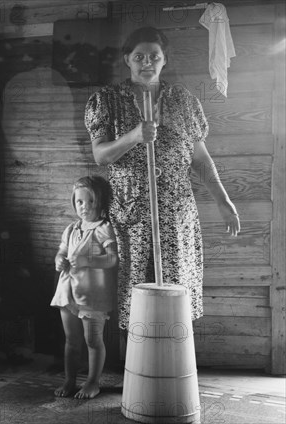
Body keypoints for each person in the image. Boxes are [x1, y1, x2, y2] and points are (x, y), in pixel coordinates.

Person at [84, 26, 240, 335]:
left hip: (176, 217)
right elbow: (101, 156)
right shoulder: (108, 100)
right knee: (136, 295)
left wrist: (223, 201)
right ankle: (140, 371)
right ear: (127, 59)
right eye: (139, 56)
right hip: (131, 217)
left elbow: (201, 160)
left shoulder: (183, 101)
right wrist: (133, 136)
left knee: (175, 293)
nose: (147, 63)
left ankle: (174, 367)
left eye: (154, 56)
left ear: (164, 60)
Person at [50, 176, 119, 399]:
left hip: (93, 295)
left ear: (100, 202)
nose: (84, 207)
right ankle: (70, 380)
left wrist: (89, 261)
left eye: (90, 202)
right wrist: (59, 260)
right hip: (69, 290)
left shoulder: (103, 228)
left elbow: (112, 259)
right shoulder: (71, 229)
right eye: (80, 202)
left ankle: (92, 382)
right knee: (71, 340)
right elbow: (61, 251)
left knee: (93, 340)